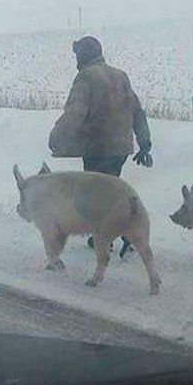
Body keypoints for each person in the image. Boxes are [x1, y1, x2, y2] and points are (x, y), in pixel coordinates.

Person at [48, 36, 153, 257]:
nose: (76, 59)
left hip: (97, 146)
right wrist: (144, 143)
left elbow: (75, 113)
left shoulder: (86, 77)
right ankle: (126, 234)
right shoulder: (120, 76)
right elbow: (136, 110)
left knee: (96, 196)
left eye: (78, 55)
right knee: (112, 191)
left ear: (85, 54)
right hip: (121, 148)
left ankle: (107, 237)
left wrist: (57, 137)